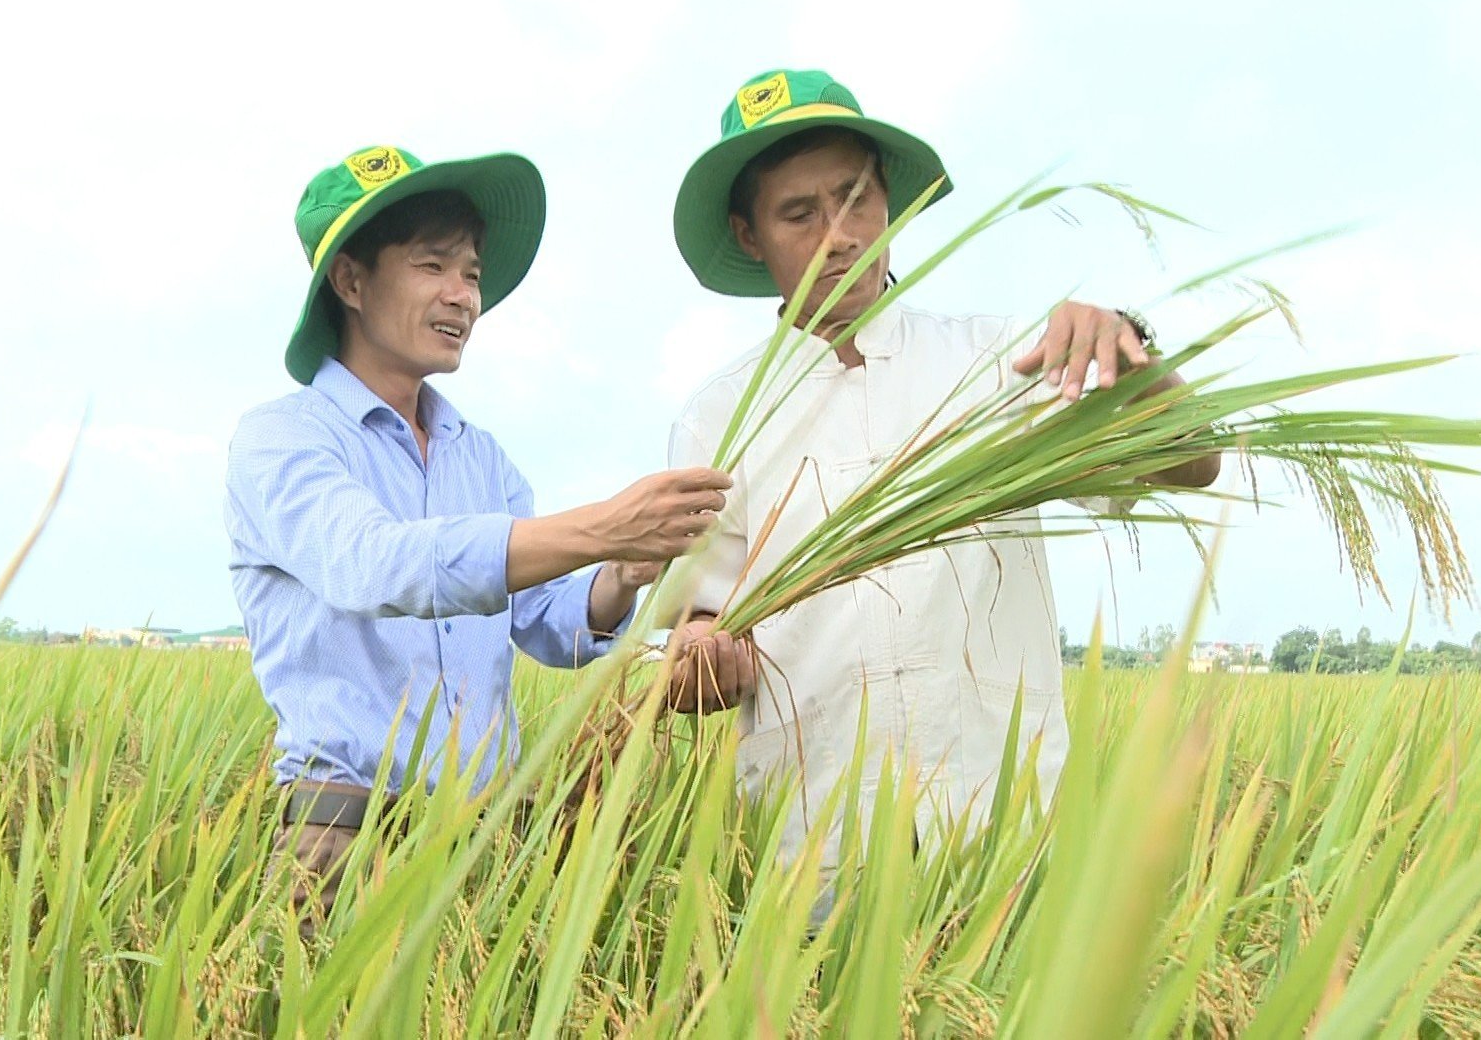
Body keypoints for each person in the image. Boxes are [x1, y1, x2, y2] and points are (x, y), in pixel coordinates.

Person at [662, 71, 1221, 881]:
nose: (839, 235)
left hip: (999, 828)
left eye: (856, 201)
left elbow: (1191, 460)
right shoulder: (719, 419)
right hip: (809, 843)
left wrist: (1129, 351)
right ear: (750, 236)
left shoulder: (1000, 365)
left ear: (892, 205)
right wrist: (705, 656)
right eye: (798, 214)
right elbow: (696, 644)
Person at [225, 145, 730, 934]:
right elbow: (377, 565)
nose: (463, 296)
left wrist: (622, 573)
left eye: (471, 273)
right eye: (433, 266)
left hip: (489, 836)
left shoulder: (480, 456)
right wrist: (601, 524)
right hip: (345, 833)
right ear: (351, 281)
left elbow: (550, 621)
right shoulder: (283, 442)